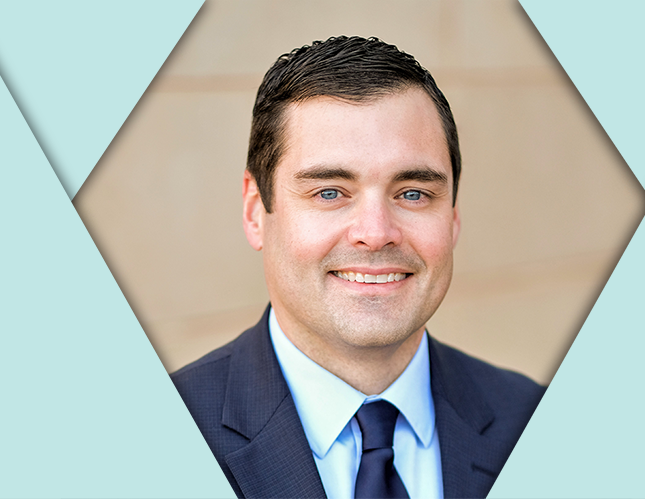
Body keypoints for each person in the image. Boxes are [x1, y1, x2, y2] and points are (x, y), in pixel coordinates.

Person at [171, 36, 545, 499]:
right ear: (254, 211)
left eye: (413, 193)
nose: (376, 232)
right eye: (329, 192)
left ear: (452, 215)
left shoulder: (532, 419)